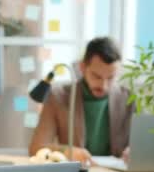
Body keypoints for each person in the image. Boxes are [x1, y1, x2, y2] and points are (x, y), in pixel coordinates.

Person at [29, 37, 134, 165]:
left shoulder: (129, 98)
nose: (104, 85)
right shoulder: (58, 96)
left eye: (111, 78)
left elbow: (144, 143)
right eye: (97, 76)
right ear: (82, 67)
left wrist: (135, 151)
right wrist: (66, 151)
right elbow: (37, 147)